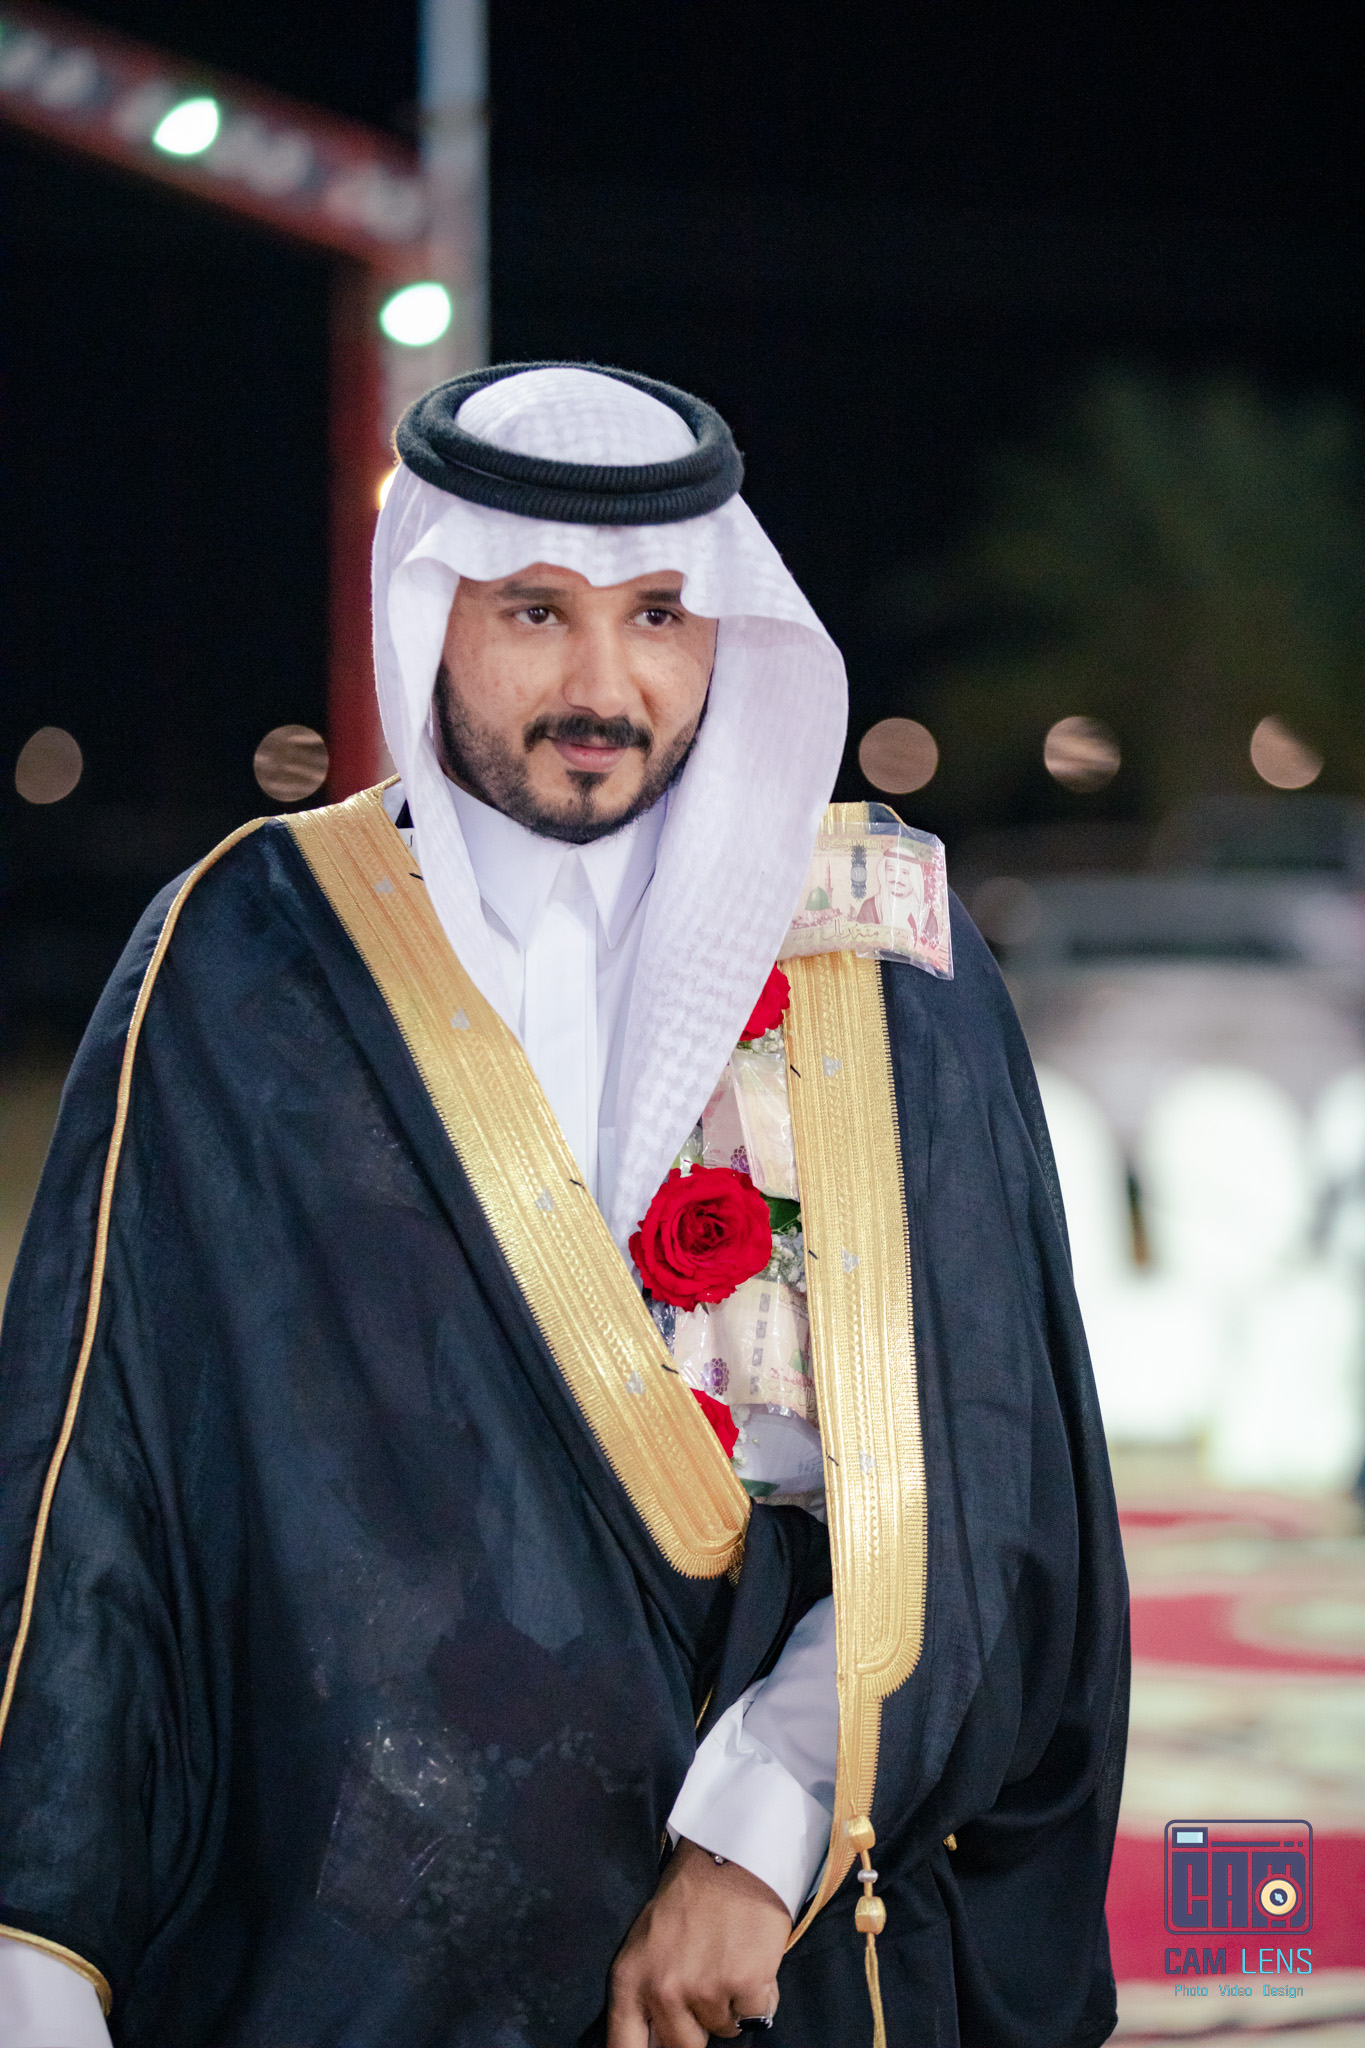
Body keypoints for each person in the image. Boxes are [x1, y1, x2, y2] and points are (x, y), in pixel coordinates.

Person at [0, 364, 1128, 2048]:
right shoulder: (245, 952)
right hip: (344, 1936)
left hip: (770, 1943)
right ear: (431, 612)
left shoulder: (873, 957)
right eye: (535, 611)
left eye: (660, 614)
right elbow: (94, 1491)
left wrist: (759, 1829)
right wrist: (38, 1951)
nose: (605, 685)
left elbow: (991, 1476)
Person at [855, 846, 923, 935]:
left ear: (914, 878)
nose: (897, 878)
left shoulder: (926, 916)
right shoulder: (870, 907)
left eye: (904, 872)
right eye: (891, 870)